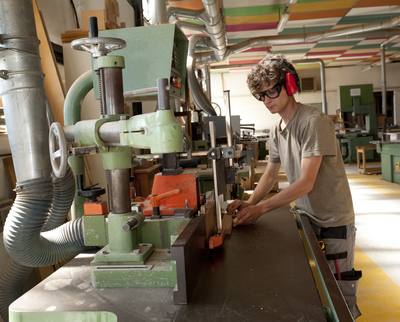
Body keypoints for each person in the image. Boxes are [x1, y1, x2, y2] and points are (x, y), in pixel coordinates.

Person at [227, 54, 361, 318]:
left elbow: (305, 183)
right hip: (307, 217)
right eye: (261, 96)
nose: (267, 100)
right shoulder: (277, 130)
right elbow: (269, 173)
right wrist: (250, 202)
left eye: (272, 91)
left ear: (289, 85)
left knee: (340, 291)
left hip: (333, 220)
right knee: (316, 287)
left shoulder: (313, 122)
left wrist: (261, 209)